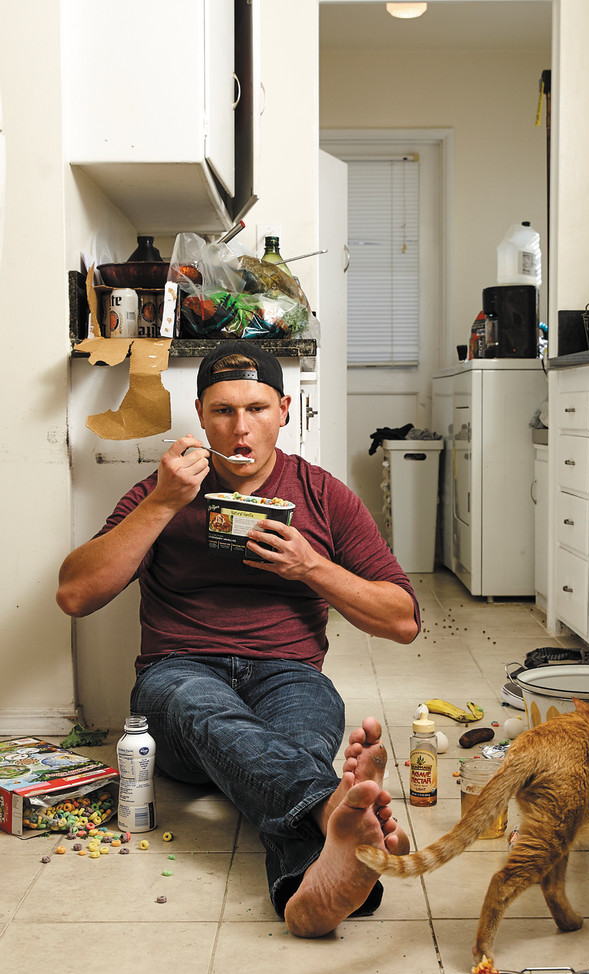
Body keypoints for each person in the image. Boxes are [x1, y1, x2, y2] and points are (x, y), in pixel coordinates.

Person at [56, 339, 421, 935]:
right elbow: (75, 595)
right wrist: (163, 503)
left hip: (289, 675)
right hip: (179, 677)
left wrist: (312, 568)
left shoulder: (322, 493)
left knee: (297, 738)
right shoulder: (164, 489)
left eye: (256, 409)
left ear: (285, 410)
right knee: (203, 706)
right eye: (224, 411)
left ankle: (308, 892)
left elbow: (403, 620)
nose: (241, 428)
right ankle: (327, 802)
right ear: (201, 415)